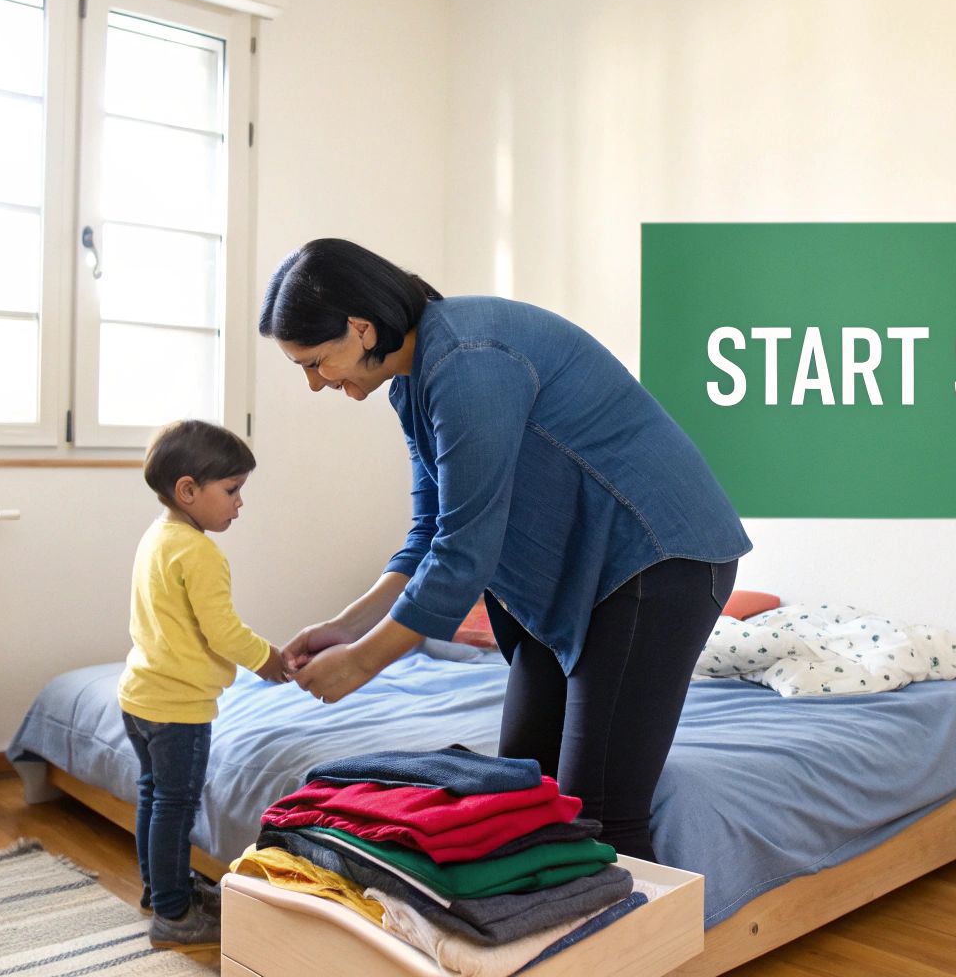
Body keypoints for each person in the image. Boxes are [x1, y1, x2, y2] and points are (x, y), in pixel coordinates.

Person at [263, 238, 750, 862]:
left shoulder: (468, 361)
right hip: (567, 583)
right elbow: (430, 533)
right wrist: (343, 627)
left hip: (655, 562)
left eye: (315, 362)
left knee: (597, 816)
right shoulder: (412, 383)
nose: (313, 383)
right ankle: (537, 951)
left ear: (360, 329)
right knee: (521, 791)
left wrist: (363, 663)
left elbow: (464, 551)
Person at [123, 419, 290, 947]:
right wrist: (268, 660)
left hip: (140, 696)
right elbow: (223, 633)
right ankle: (174, 914)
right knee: (175, 804)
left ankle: (161, 889)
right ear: (188, 490)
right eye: (232, 490)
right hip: (179, 709)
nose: (239, 504)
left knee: (155, 797)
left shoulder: (159, 535)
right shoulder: (200, 553)